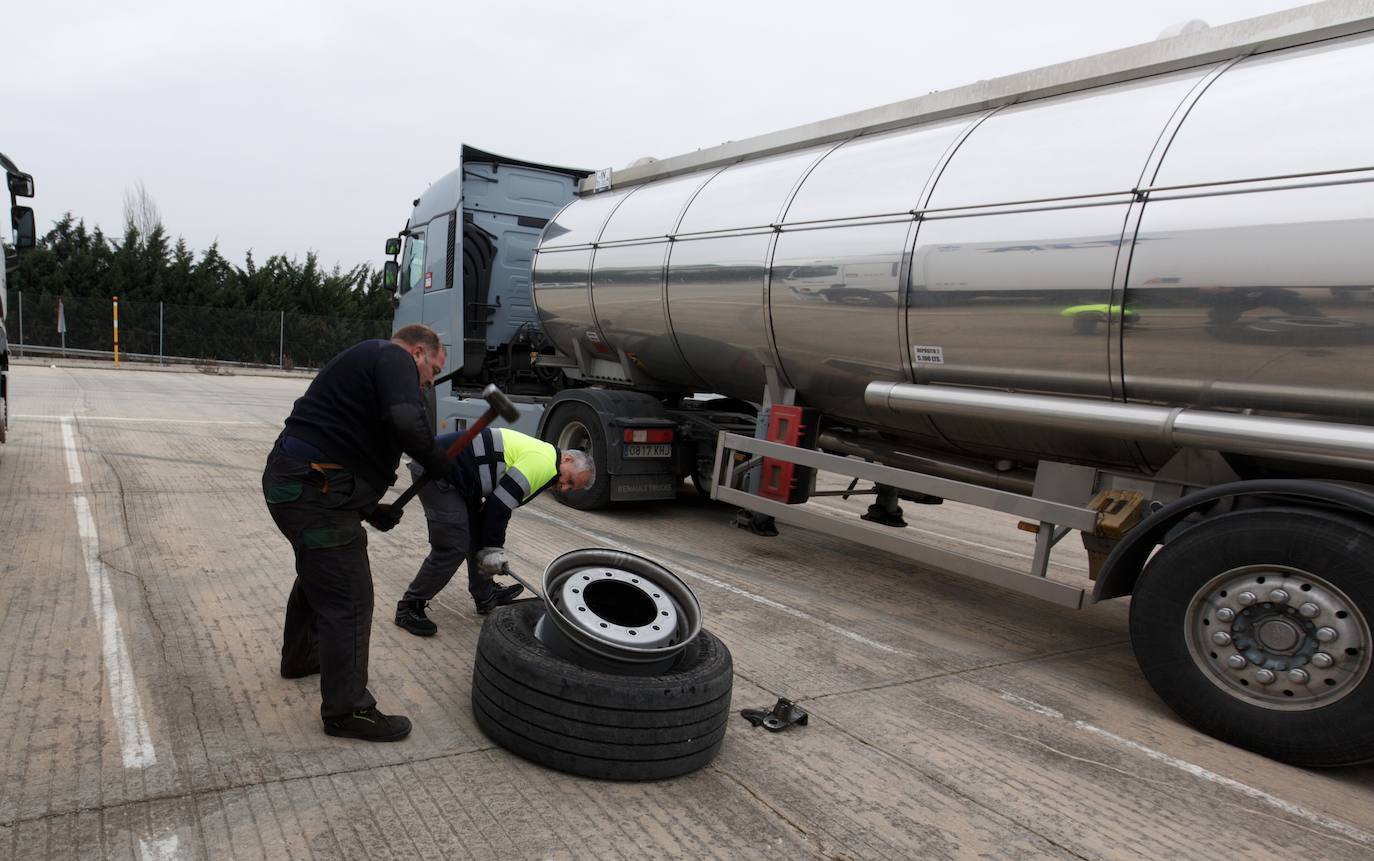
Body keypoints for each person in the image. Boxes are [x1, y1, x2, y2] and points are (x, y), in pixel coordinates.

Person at [261, 324, 451, 742]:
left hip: (307, 486)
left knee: (322, 574)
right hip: (310, 490)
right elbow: (406, 420)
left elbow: (342, 442)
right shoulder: (391, 356)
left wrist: (369, 509)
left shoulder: (371, 365)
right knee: (348, 595)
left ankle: (300, 658)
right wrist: (437, 461)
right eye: (433, 370)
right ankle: (347, 710)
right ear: (419, 352)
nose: (429, 381)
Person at [393, 427, 594, 636]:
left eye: (571, 488)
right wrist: (494, 550)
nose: (564, 488)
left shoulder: (548, 461)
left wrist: (491, 547)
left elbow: (492, 508)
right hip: (438, 471)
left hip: (460, 476)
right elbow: (499, 506)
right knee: (453, 545)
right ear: (568, 460)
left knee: (479, 534)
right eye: (569, 481)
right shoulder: (544, 464)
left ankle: (485, 595)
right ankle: (409, 607)